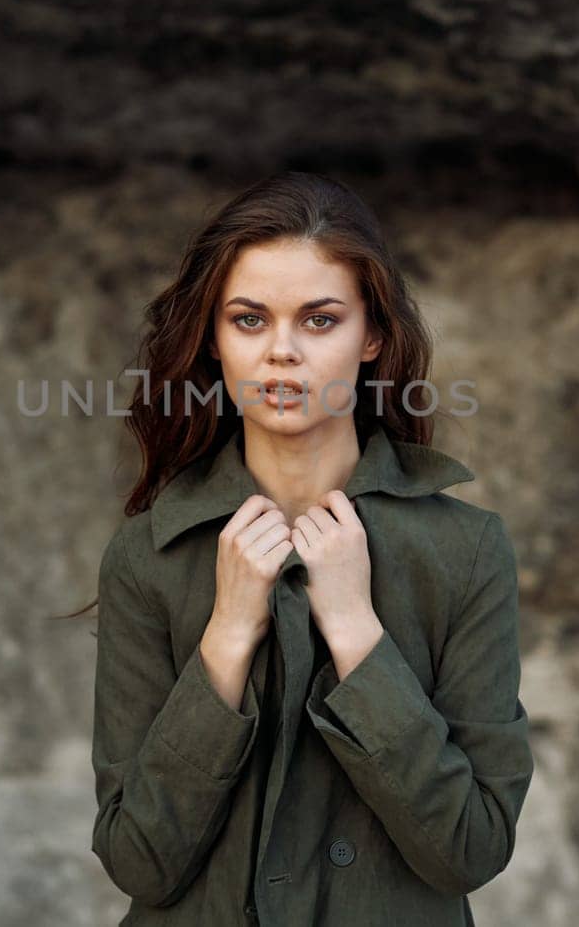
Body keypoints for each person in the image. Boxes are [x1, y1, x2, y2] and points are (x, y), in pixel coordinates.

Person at [85, 171, 534, 925]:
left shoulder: (466, 549)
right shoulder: (149, 555)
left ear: (374, 337)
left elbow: (472, 848)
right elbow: (138, 860)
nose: (282, 353)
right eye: (249, 320)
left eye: (320, 320)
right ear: (214, 340)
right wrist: (227, 637)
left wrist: (358, 633)